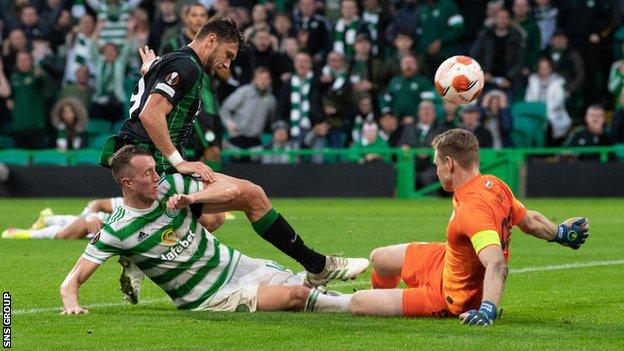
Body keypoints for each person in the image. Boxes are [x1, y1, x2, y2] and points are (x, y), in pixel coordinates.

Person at [99, 17, 368, 301]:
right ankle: (317, 266)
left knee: (213, 219)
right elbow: (150, 114)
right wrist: (178, 160)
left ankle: (137, 255)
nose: (227, 64)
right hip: (156, 167)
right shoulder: (185, 65)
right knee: (253, 196)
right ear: (211, 40)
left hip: (140, 159)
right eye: (228, 55)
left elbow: (150, 101)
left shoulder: (171, 61)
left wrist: (150, 71)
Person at [60, 146, 354, 315]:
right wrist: (72, 306)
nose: (156, 176)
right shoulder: (117, 230)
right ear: (128, 184)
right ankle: (359, 306)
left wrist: (193, 199)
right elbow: (70, 281)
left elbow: (232, 191)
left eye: (155, 168)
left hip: (236, 265)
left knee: (307, 284)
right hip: (210, 295)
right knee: (296, 297)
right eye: (147, 173)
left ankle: (358, 298)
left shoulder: (171, 187)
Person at [348, 128, 590, 325]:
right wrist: (560, 234)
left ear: (449, 163)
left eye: (437, 164)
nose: (436, 170)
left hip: (452, 295)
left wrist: (487, 310)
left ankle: (323, 301)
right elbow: (529, 221)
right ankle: (384, 292)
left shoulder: (473, 208)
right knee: (378, 258)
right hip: (448, 259)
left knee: (359, 302)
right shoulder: (494, 184)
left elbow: (496, 263)